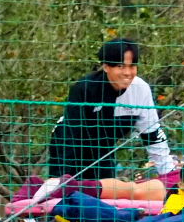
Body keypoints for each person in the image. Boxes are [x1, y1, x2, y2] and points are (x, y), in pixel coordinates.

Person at [38, 38, 174, 203]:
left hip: (104, 150)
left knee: (104, 201)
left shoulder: (141, 90)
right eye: (120, 66)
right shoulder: (84, 88)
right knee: (65, 197)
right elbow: (70, 136)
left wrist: (170, 176)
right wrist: (61, 177)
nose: (127, 73)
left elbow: (153, 136)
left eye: (132, 66)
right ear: (106, 66)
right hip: (69, 144)